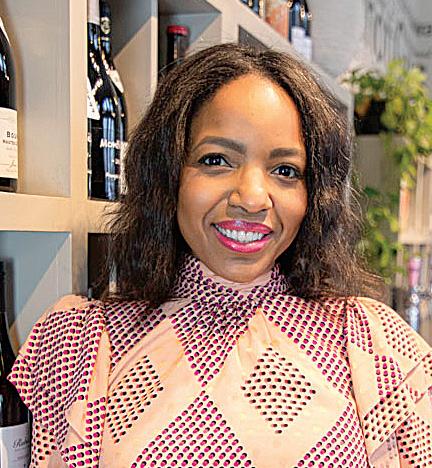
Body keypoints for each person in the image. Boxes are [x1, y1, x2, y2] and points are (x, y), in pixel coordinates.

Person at [9, 43, 432, 467]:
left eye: (285, 170)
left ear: (313, 195)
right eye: (216, 160)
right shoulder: (83, 345)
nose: (252, 197)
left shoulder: (372, 345)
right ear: (168, 174)